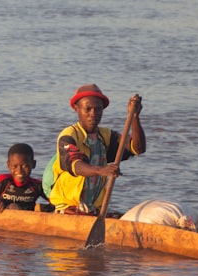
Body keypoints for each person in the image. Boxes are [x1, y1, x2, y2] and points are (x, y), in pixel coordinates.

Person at [48, 84, 146, 214]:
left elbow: (137, 148)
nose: (93, 114)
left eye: (98, 109)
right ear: (77, 109)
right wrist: (101, 170)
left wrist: (134, 117)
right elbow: (74, 165)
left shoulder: (105, 136)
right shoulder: (69, 135)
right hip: (69, 208)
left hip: (94, 209)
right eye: (88, 109)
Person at [0, 143, 45, 213]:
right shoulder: (2, 181)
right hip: (4, 217)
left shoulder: (37, 185)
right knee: (13, 206)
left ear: (33, 164)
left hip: (27, 220)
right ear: (8, 165)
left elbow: (55, 200)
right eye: (15, 166)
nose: (19, 171)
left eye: (25, 166)